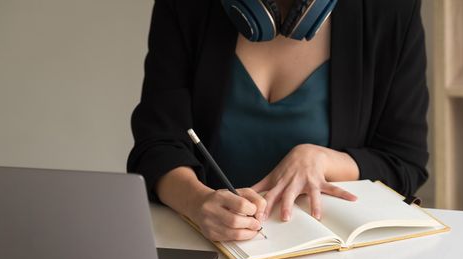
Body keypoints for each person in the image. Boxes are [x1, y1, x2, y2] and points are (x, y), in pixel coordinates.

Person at [127, 0, 429, 242]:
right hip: (207, 244)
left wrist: (321, 160)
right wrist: (196, 202)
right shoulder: (186, 6)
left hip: (331, 257)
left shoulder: (392, 9)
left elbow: (404, 162)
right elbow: (157, 144)